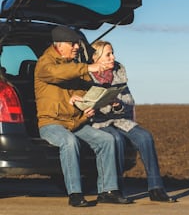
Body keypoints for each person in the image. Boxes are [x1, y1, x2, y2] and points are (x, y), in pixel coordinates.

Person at [34, 26, 132, 207]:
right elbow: (58, 74)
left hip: (76, 121)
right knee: (69, 141)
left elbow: (83, 86)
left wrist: (87, 102)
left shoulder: (73, 63)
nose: (76, 48)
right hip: (52, 123)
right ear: (60, 45)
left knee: (106, 140)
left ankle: (108, 191)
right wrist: (89, 67)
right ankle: (75, 193)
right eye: (73, 44)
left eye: (77, 45)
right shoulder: (44, 64)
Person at [89, 40, 176, 203]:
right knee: (117, 140)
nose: (112, 57)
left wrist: (117, 104)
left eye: (112, 52)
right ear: (95, 57)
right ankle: (117, 189)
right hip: (100, 122)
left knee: (146, 137)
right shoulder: (86, 76)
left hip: (121, 119)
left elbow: (129, 100)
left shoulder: (119, 74)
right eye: (108, 54)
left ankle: (156, 188)